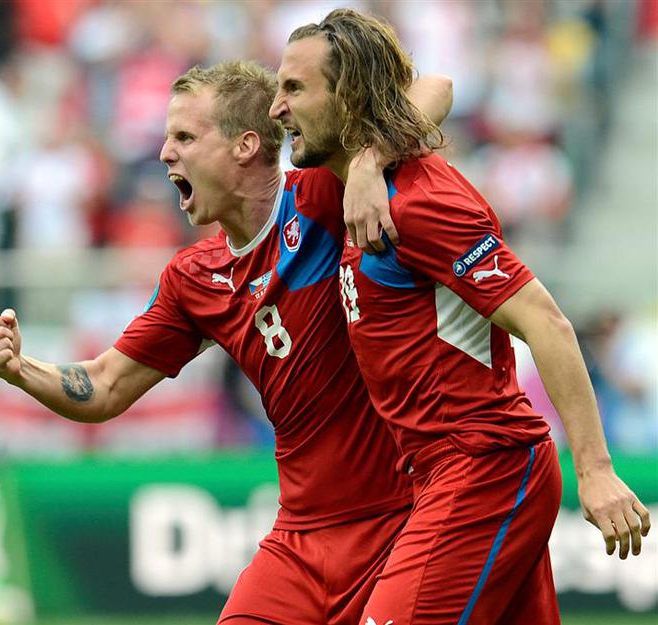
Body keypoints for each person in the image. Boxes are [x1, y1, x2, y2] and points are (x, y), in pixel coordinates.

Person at [0, 61, 452, 624]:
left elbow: (436, 88)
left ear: (245, 146)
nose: (164, 154)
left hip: (405, 520)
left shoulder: (324, 194)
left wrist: (369, 162)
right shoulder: (194, 280)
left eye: (184, 137)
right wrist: (21, 368)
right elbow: (104, 386)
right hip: (301, 538)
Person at [268, 9, 650, 625]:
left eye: (294, 88)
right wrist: (366, 160)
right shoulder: (347, 190)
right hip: (444, 472)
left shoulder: (418, 204)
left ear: (348, 97)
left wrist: (596, 470)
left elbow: (546, 322)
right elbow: (435, 87)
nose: (276, 108)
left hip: (483, 467)